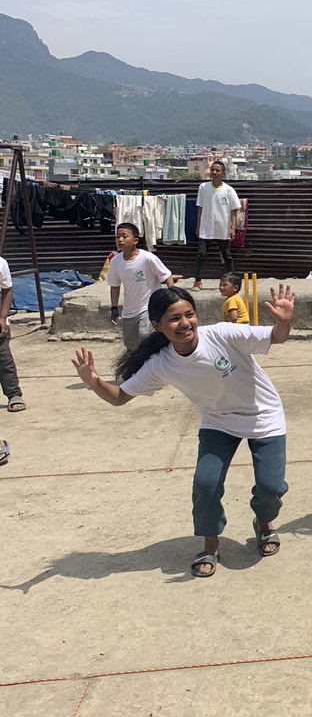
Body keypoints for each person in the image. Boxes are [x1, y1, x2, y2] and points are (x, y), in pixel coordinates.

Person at [71, 284, 294, 578]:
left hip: (263, 416)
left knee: (271, 487)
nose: (185, 323)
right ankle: (210, 543)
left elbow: (276, 337)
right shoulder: (160, 364)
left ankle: (264, 522)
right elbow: (119, 397)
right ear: (157, 326)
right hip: (218, 422)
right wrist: (95, 382)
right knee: (205, 483)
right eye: (174, 318)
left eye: (189, 314)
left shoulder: (222, 335)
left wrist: (284, 321)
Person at [107, 222, 174, 352]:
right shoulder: (115, 262)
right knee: (131, 346)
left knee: (146, 336)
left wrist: (172, 297)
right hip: (129, 311)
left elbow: (166, 276)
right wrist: (114, 308)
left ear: (135, 240)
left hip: (149, 308)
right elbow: (115, 286)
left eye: (124, 236)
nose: (120, 240)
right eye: (117, 237)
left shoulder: (147, 258)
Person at [193, 159, 241, 289]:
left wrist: (232, 228)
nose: (214, 172)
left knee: (227, 256)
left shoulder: (229, 190)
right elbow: (200, 207)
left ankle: (231, 282)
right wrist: (198, 225)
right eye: (212, 170)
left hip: (223, 228)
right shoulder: (203, 187)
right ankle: (197, 281)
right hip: (206, 227)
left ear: (223, 173)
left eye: (217, 170)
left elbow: (234, 211)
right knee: (201, 255)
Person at [0, 253, 25, 413]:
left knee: (4, 360)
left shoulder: (1, 263)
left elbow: (7, 289)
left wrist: (2, 317)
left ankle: (14, 394)